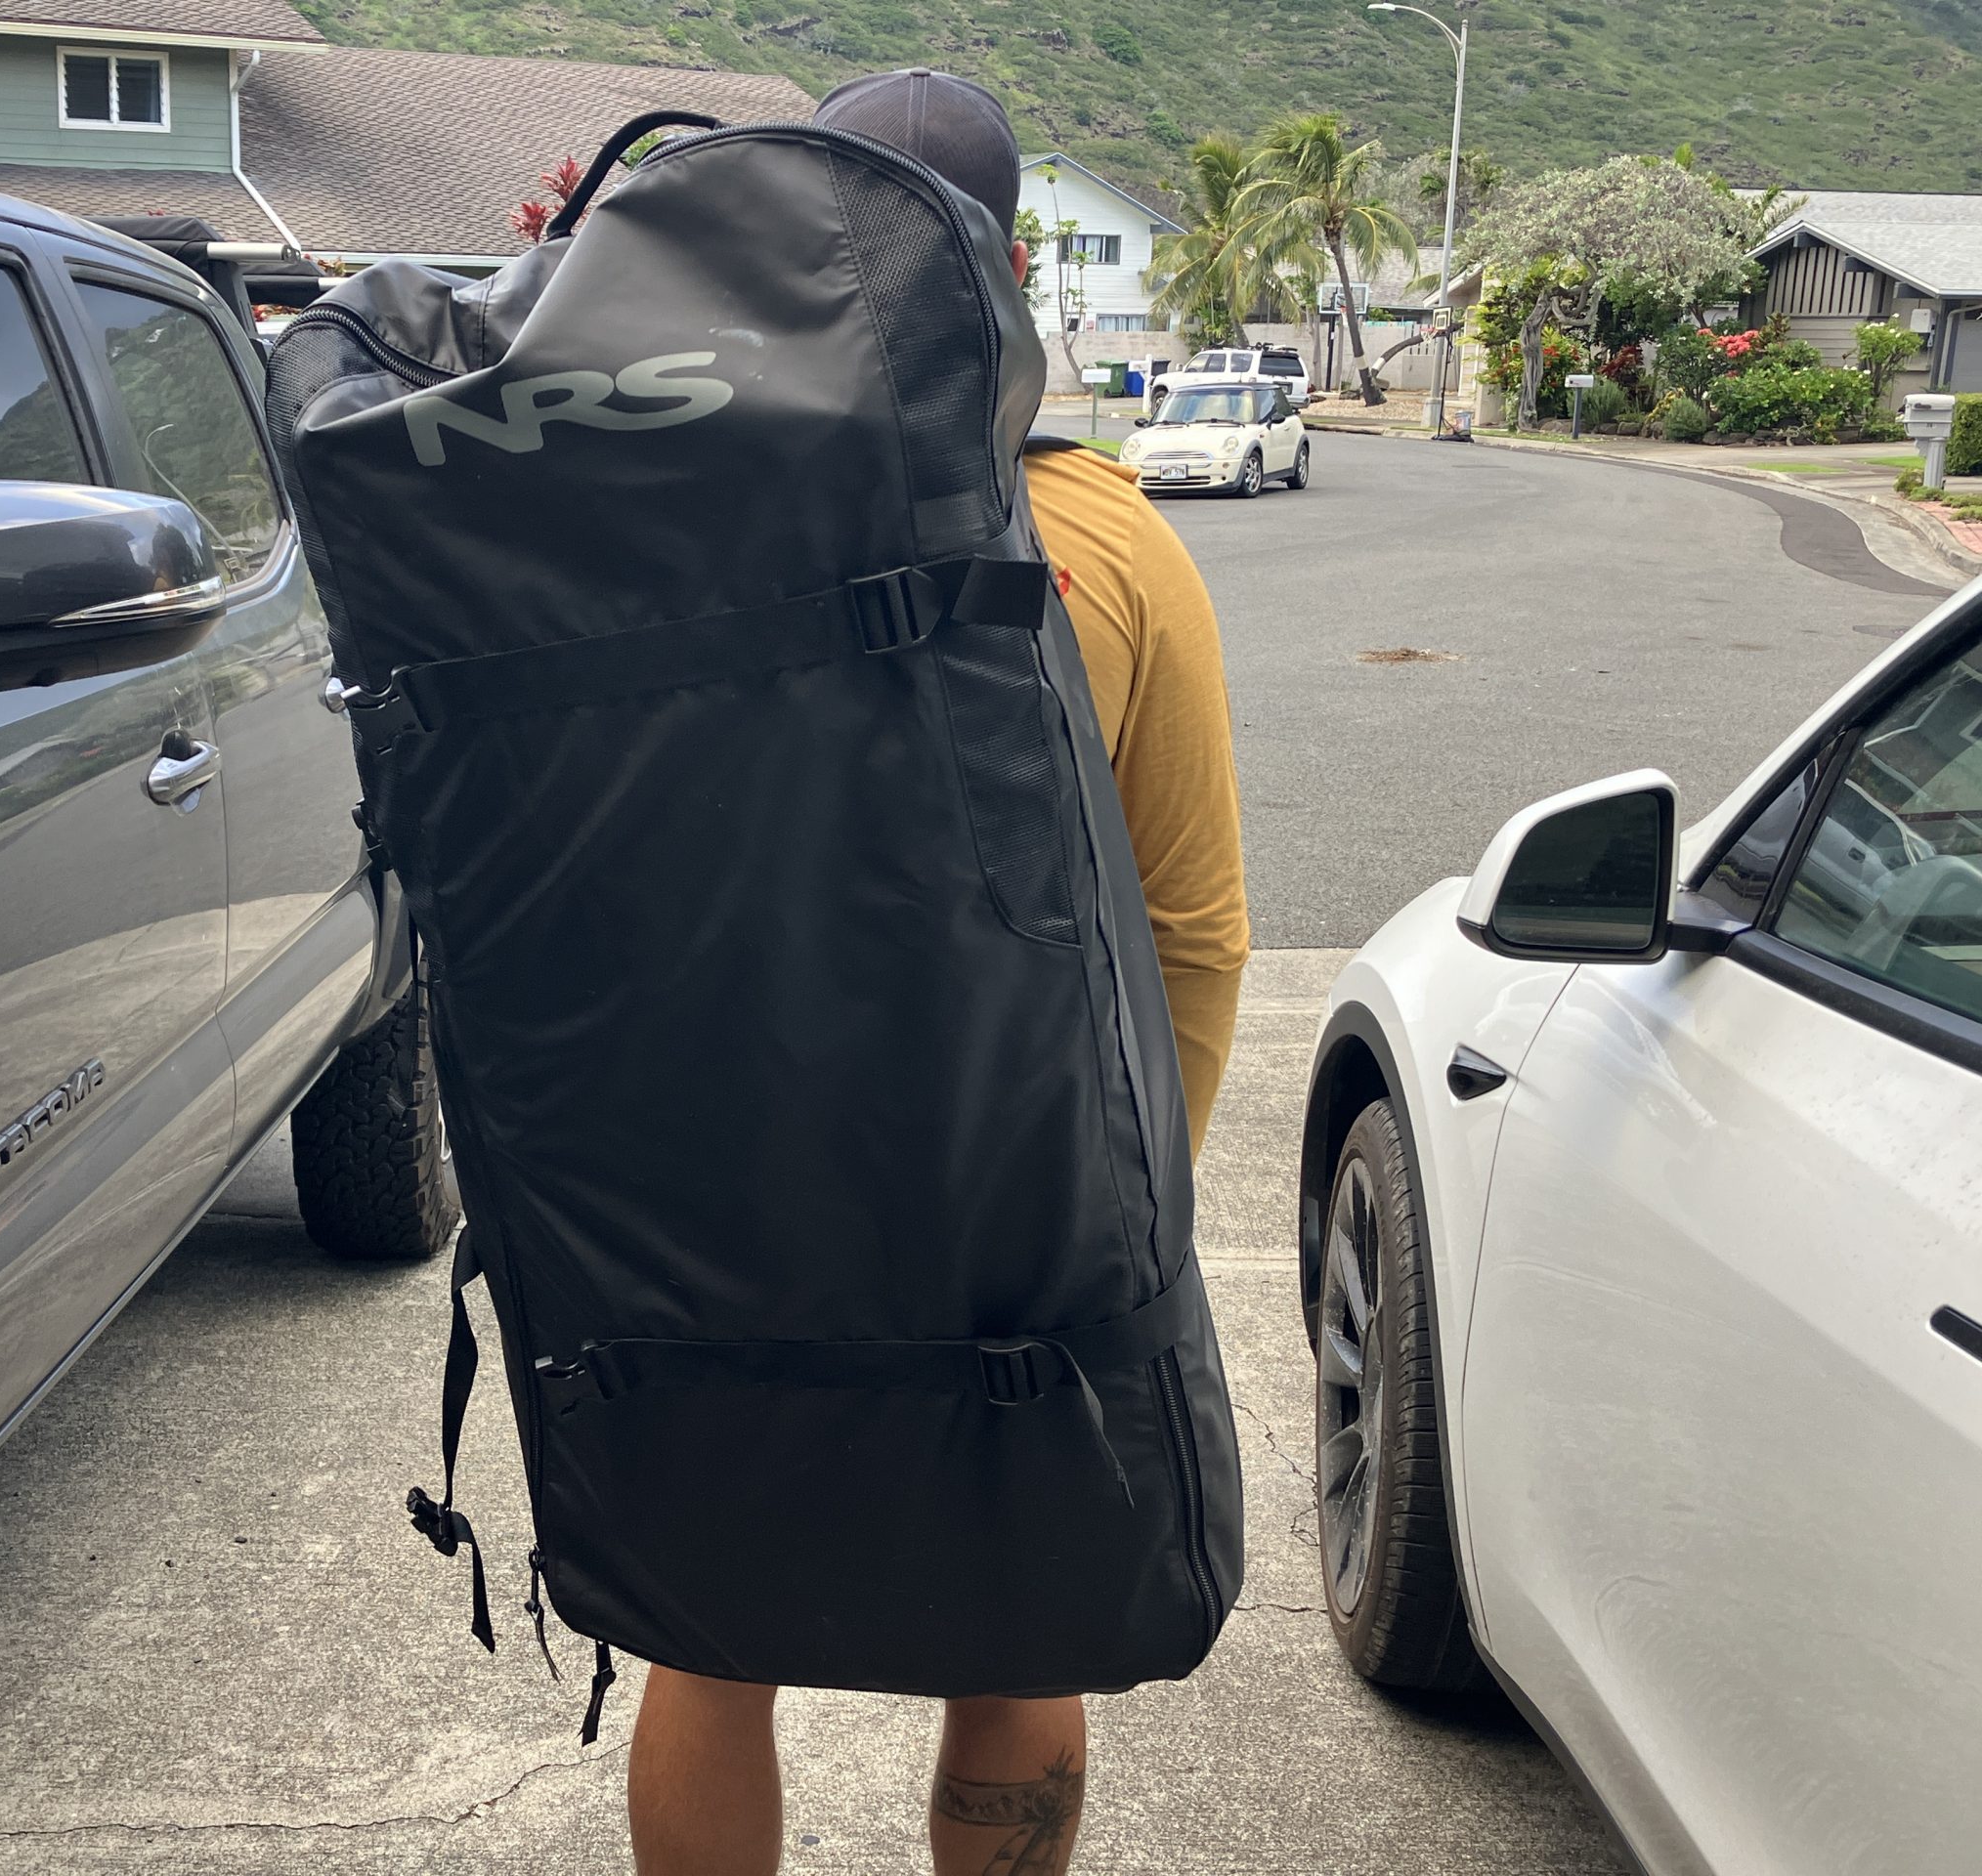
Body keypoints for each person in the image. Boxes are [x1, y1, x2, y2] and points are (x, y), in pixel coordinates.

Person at [625, 68, 1252, 1876]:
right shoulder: (1112, 541)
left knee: (707, 1633)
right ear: (1014, 265)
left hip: (718, 1173)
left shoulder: (666, 509)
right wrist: (1142, 1197)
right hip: (1017, 1182)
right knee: (1022, 1621)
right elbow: (1193, 923)